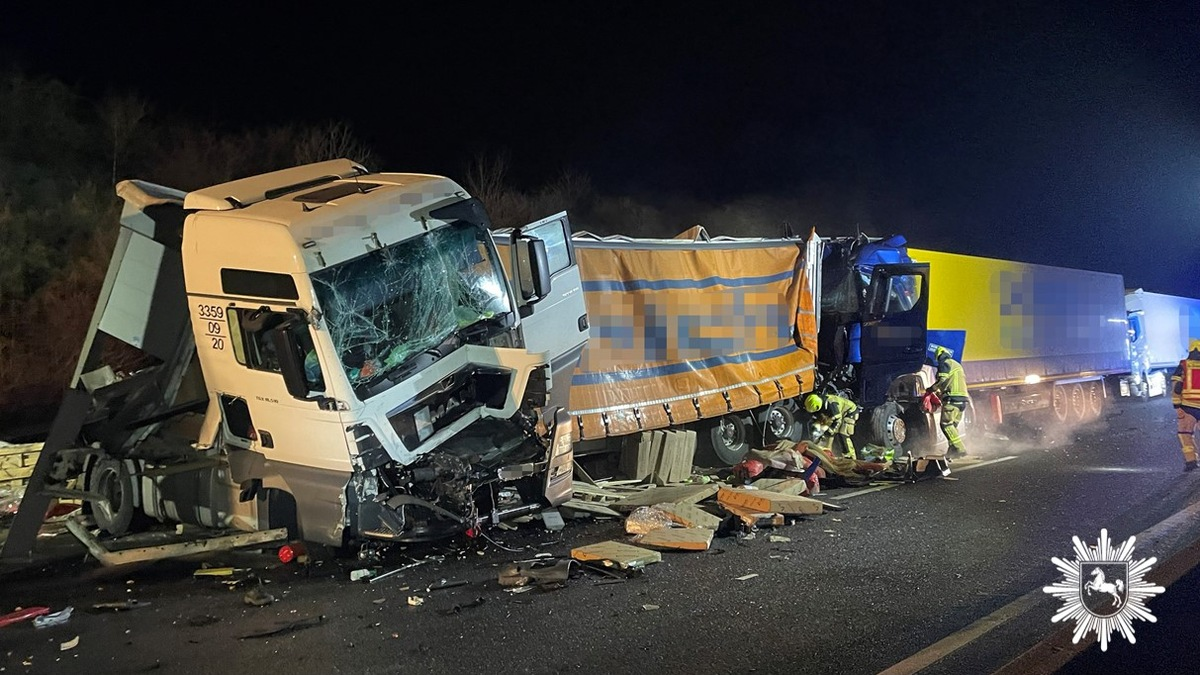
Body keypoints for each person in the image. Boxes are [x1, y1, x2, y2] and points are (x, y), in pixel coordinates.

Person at [926, 345, 968, 456]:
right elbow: (951, 381)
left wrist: (932, 389)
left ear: (939, 356)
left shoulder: (944, 364)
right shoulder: (956, 364)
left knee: (946, 424)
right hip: (962, 400)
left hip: (952, 399)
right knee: (952, 427)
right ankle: (953, 449)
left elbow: (942, 379)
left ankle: (960, 449)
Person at [1171, 339, 1200, 472]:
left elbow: (1177, 387)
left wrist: (1177, 406)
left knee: (1185, 433)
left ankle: (1191, 461)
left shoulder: (1184, 365)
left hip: (1188, 406)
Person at [804, 392, 860, 459]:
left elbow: (837, 421)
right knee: (829, 432)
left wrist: (830, 430)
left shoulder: (832, 406)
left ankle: (850, 458)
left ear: (818, 407)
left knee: (842, 434)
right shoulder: (819, 401)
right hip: (838, 414)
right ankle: (827, 451)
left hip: (850, 412)